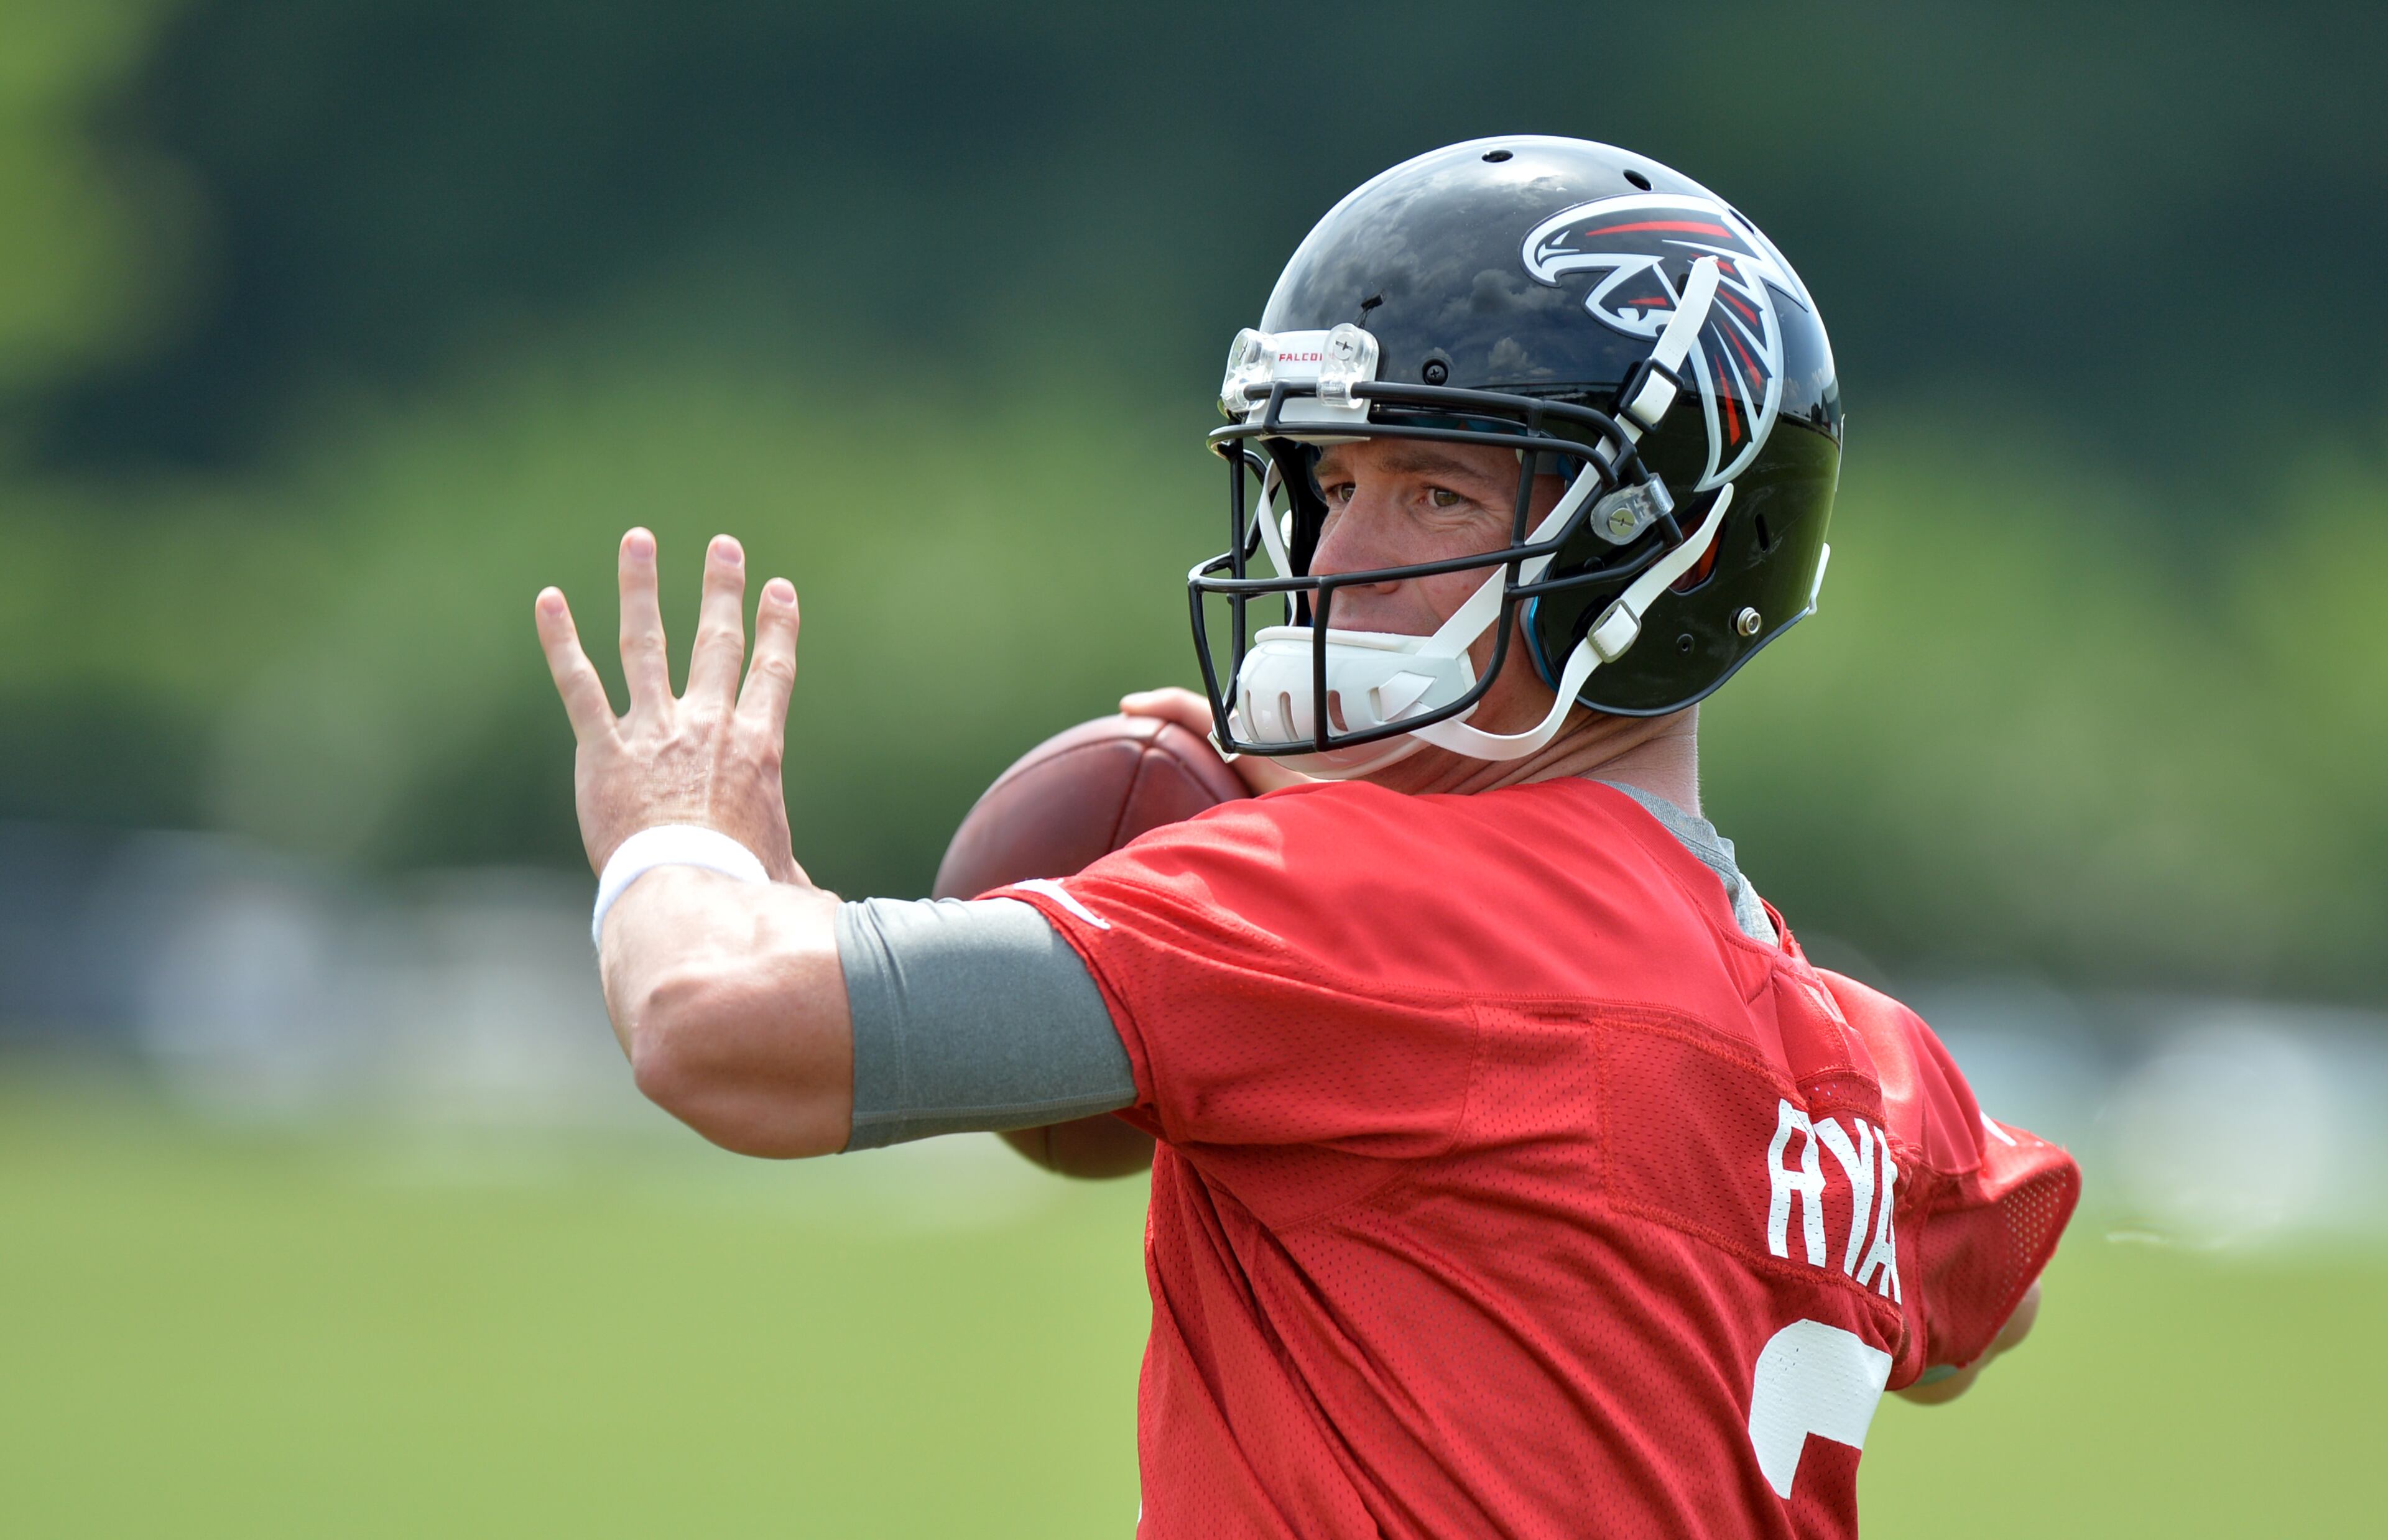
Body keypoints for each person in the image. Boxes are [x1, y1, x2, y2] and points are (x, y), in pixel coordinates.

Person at [533, 137, 2078, 1539]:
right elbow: (1984, 1307)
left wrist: (680, 841)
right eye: (1333, 483)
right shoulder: (1877, 1073)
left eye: (1436, 493)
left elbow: (711, 1023)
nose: (1339, 550)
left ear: (1661, 549)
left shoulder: (1364, 906)